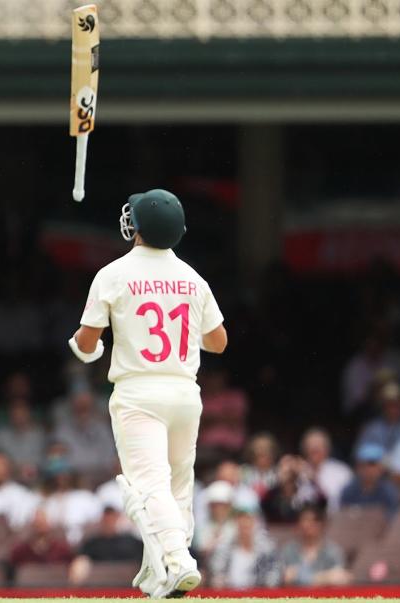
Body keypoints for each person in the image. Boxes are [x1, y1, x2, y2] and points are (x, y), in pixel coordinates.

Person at [69, 189, 227, 597]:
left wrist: (90, 350)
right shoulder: (193, 277)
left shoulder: (113, 273)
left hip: (139, 392)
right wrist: (190, 339)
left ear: (136, 227)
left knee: (150, 484)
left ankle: (178, 561)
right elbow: (219, 341)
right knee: (178, 484)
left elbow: (87, 344)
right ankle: (163, 572)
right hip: (184, 391)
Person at [208, 492, 279, 589]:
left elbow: (274, 576)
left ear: (256, 521)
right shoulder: (223, 548)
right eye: (241, 518)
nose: (245, 523)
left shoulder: (267, 549)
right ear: (235, 521)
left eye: (249, 518)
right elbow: (216, 575)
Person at [69, 506, 144, 585]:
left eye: (112, 519)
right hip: (99, 587)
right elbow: (80, 561)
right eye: (106, 520)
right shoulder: (92, 544)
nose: (109, 523)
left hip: (127, 587)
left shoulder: (131, 542)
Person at [0, 397, 47, 480]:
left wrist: (30, 467)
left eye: (22, 411)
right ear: (9, 414)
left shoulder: (40, 434)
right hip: (6, 480)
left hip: (35, 479)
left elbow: (48, 459)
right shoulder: (0, 434)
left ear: (29, 413)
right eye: (15, 412)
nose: (18, 415)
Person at [279, 505, 350, 586]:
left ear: (322, 524)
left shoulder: (333, 551)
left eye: (313, 521)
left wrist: (298, 576)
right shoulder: (288, 550)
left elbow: (340, 578)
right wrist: (325, 577)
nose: (308, 525)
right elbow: (284, 577)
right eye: (304, 521)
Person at [338, 443, 400, 517]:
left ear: (381, 467)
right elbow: (344, 516)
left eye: (372, 464)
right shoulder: (349, 491)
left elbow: (393, 519)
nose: (368, 469)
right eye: (363, 464)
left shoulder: (389, 492)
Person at [300, 428, 352, 514]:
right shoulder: (299, 471)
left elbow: (337, 504)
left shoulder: (342, 472)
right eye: (310, 449)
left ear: (327, 449)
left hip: (335, 521)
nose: (314, 453)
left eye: (317, 449)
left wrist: (315, 481)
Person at [355, 381, 400, 453]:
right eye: (390, 404)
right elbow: (359, 453)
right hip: (378, 463)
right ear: (383, 406)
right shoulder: (372, 428)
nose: (394, 409)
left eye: (397, 404)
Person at [8, 508, 74, 570]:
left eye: (43, 521)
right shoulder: (20, 551)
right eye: (37, 522)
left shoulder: (62, 550)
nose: (40, 524)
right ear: (32, 524)